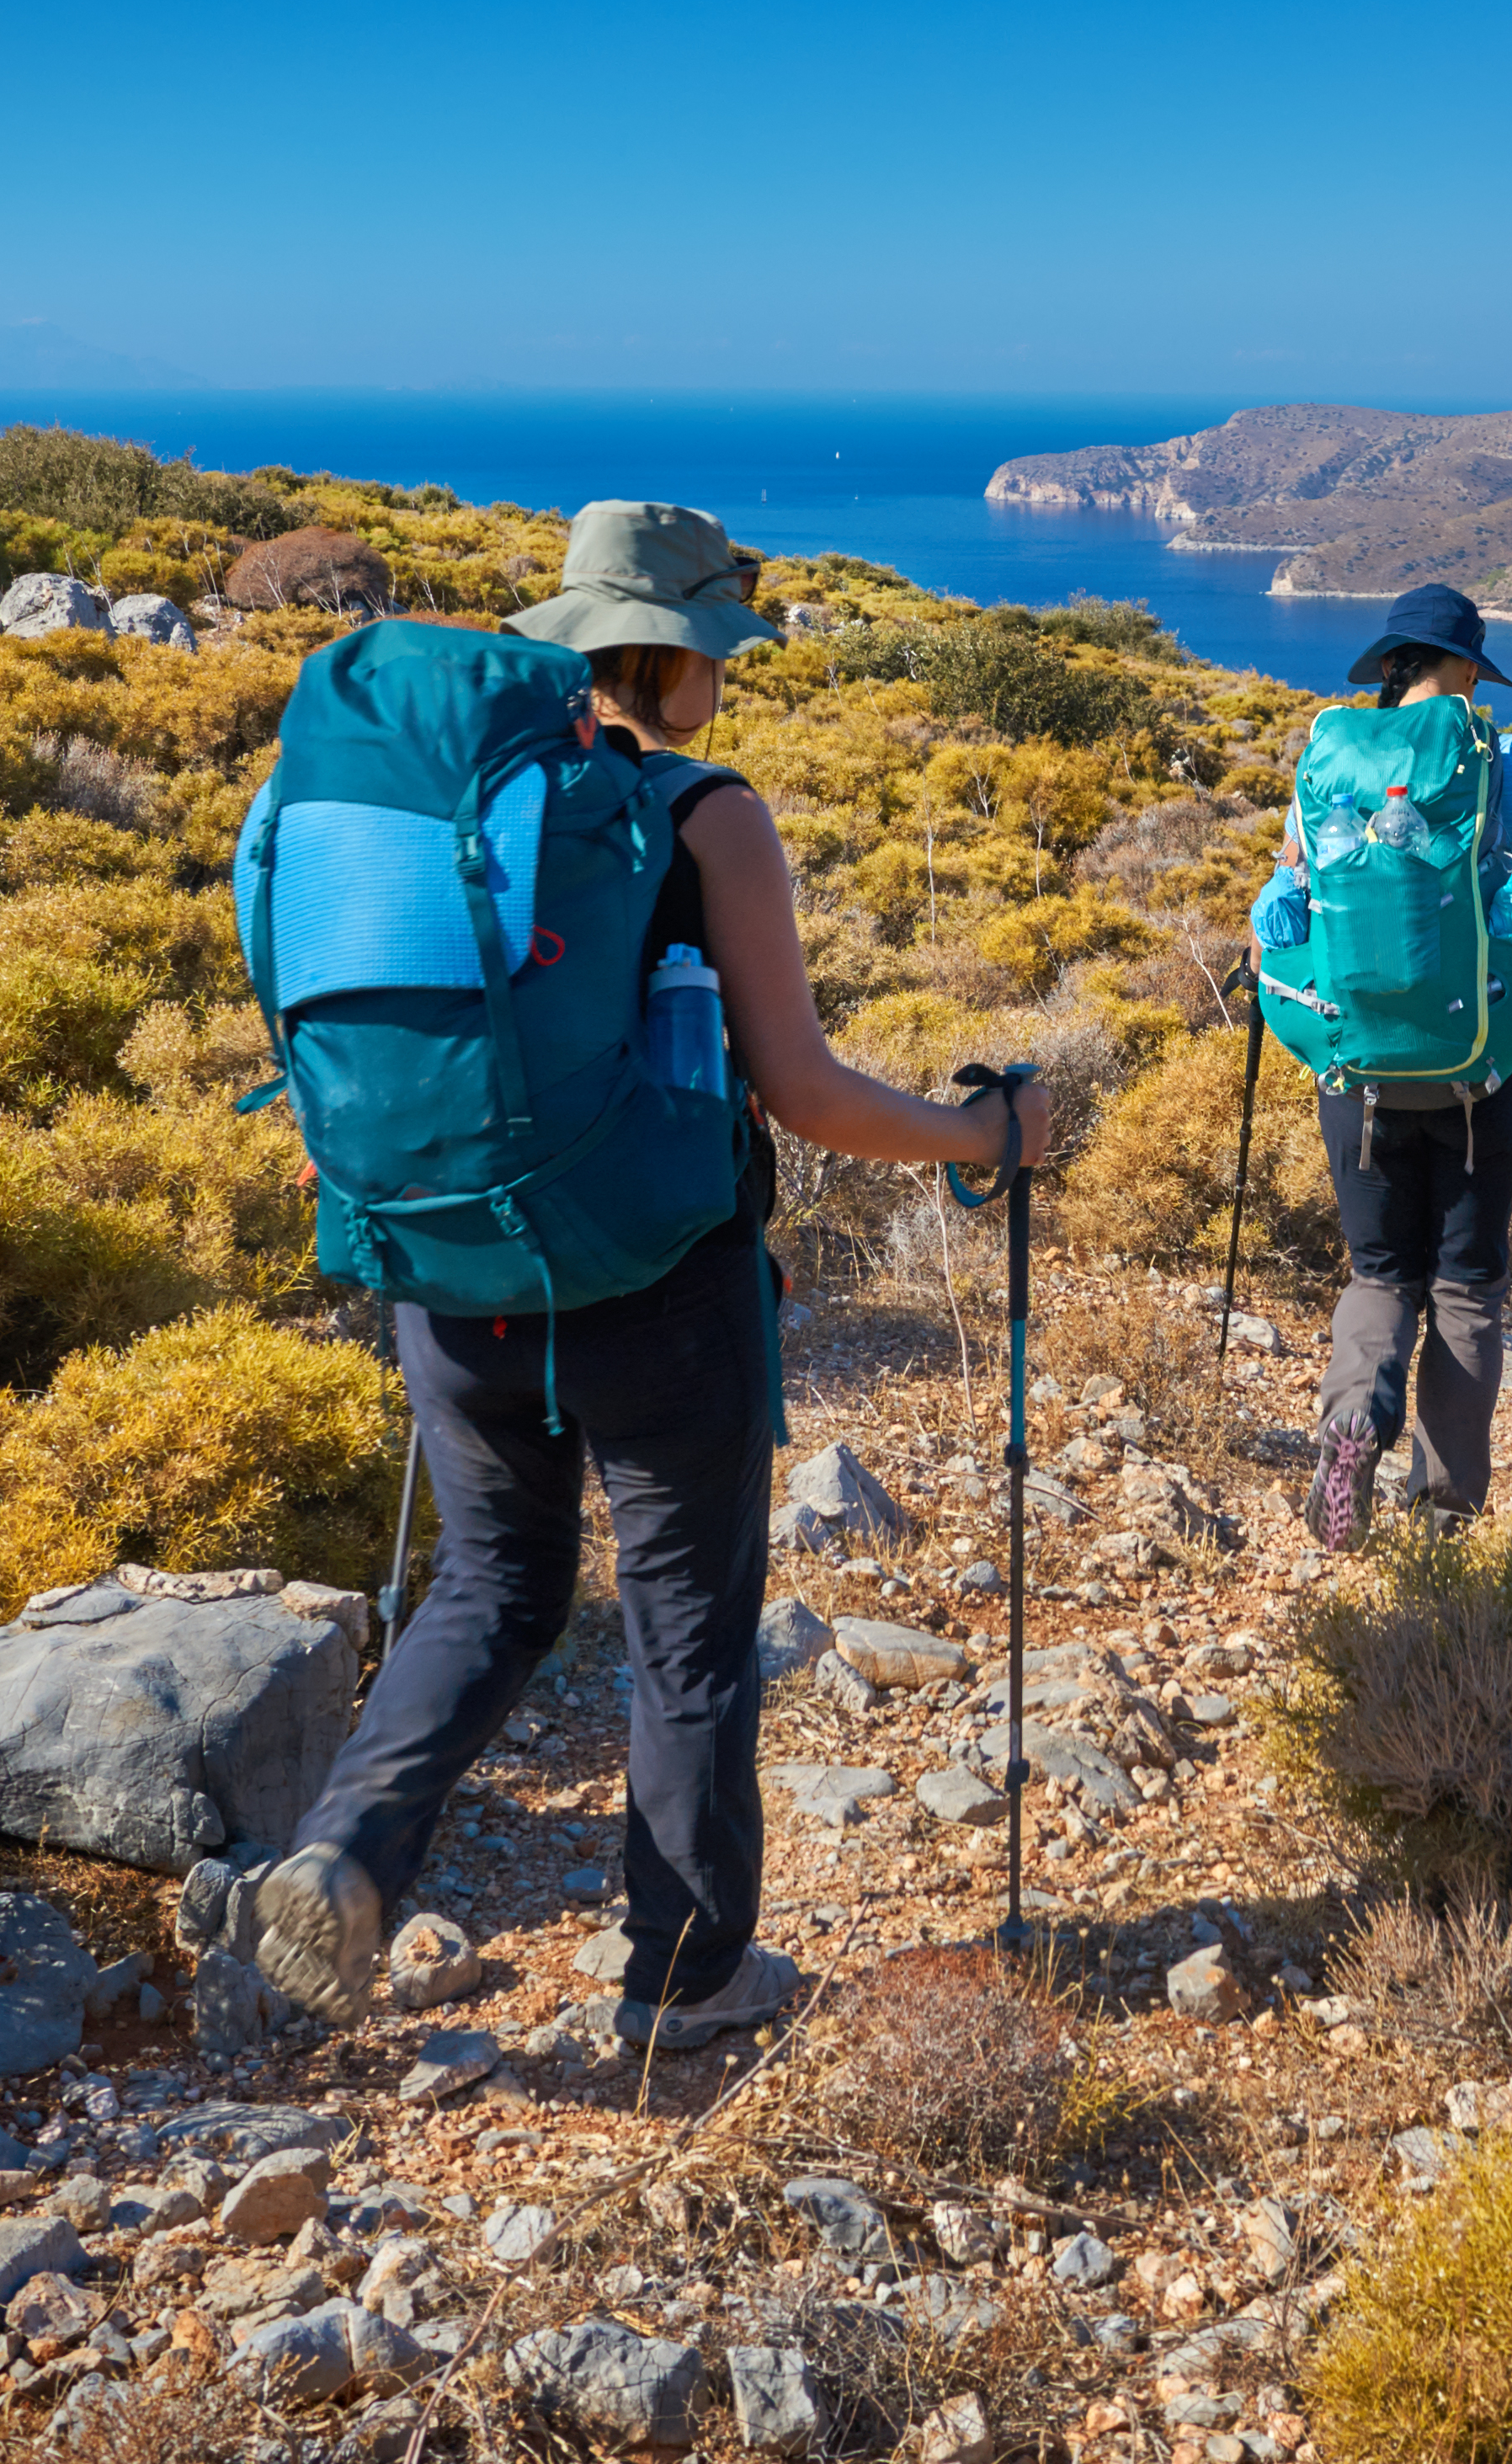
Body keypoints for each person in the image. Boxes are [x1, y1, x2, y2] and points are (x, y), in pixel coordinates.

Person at [250, 500, 1053, 2051]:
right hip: (661, 1292)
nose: (725, 685)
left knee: (495, 1588)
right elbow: (804, 1092)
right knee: (685, 1626)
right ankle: (686, 1978)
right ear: (675, 659)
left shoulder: (446, 814)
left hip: (451, 1272)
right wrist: (982, 1129)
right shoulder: (700, 812)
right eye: (716, 656)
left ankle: (344, 1855)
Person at [1265, 585, 1512, 1550]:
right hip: (1482, 1075)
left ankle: (1351, 1429)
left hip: (1356, 1070)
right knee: (1464, 1286)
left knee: (1381, 1272)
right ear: (1462, 670)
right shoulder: (1509, 762)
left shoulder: (1327, 762)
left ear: (1390, 667)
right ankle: (1443, 1512)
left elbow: (1296, 895)